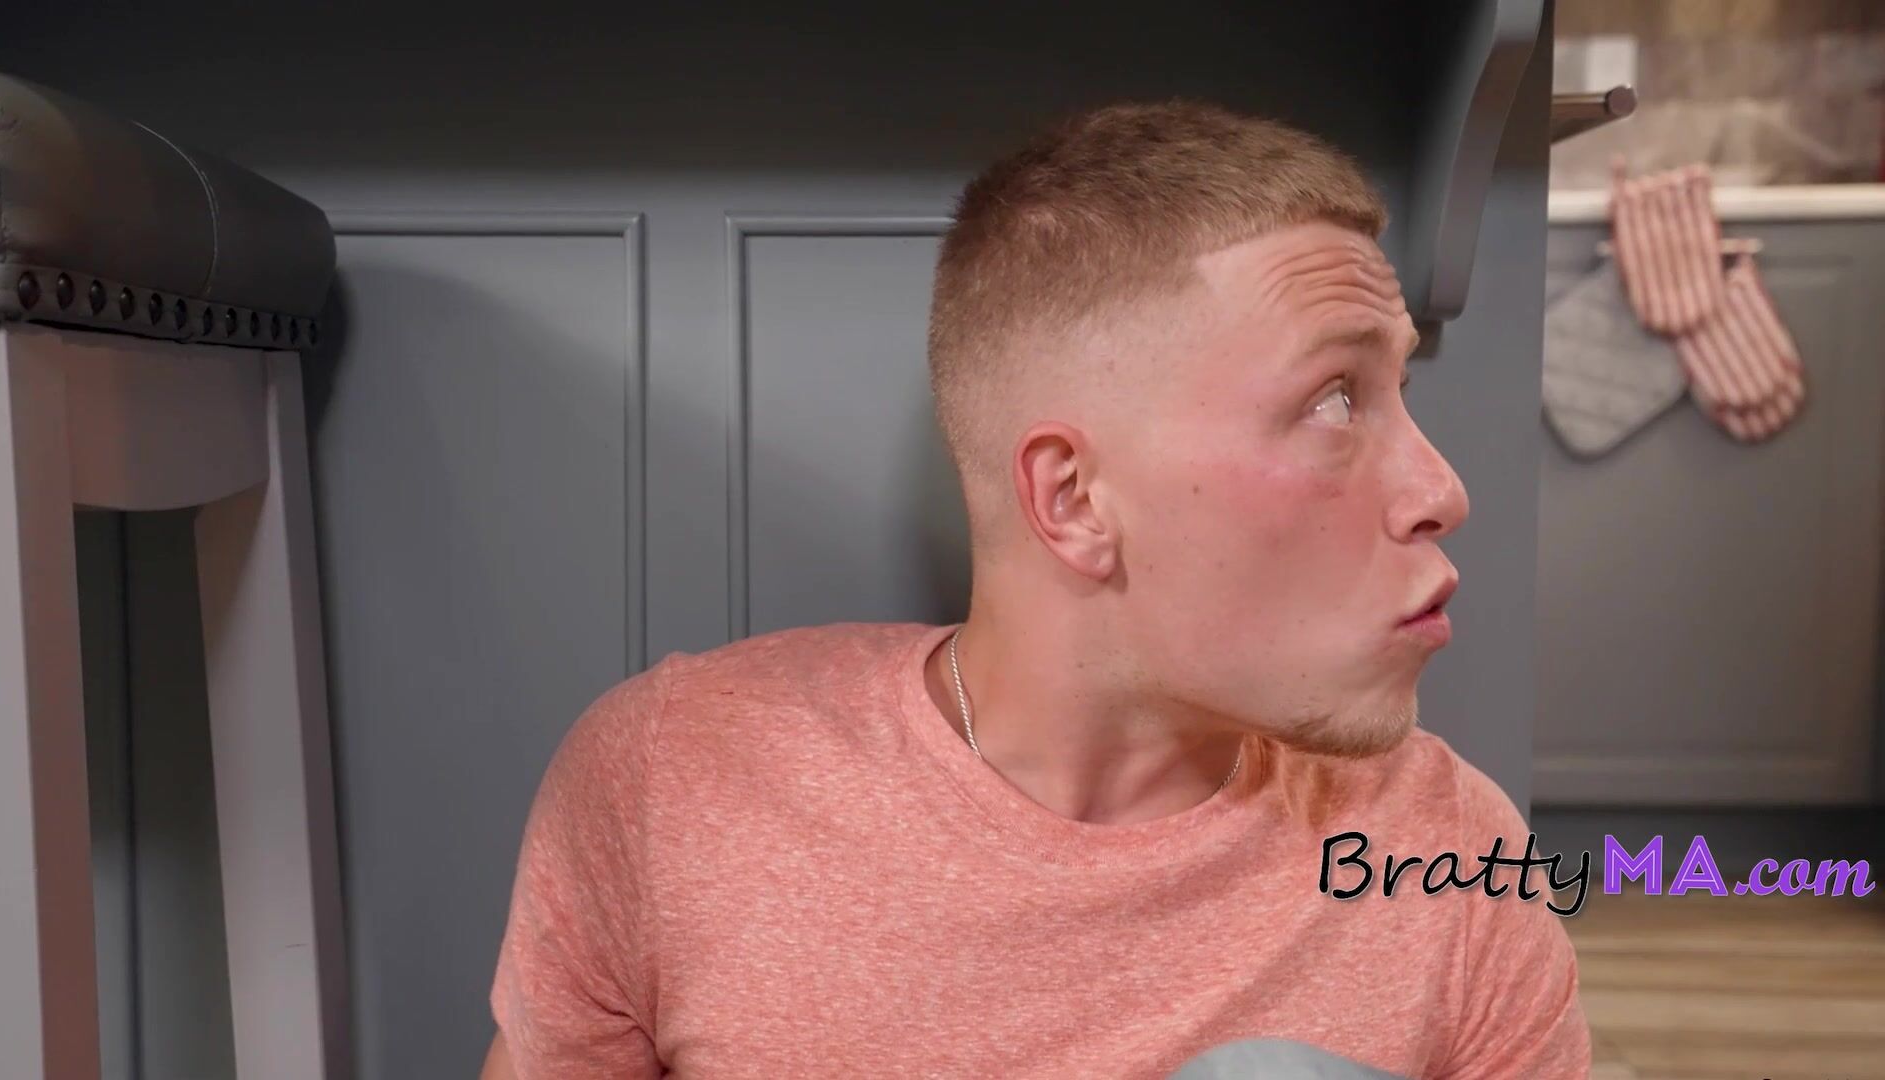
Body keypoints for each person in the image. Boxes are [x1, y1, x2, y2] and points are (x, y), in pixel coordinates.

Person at [479, 100, 1591, 1079]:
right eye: (1335, 399)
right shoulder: (673, 783)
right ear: (1074, 501)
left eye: (1399, 390)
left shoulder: (1447, 858)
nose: (1442, 490)